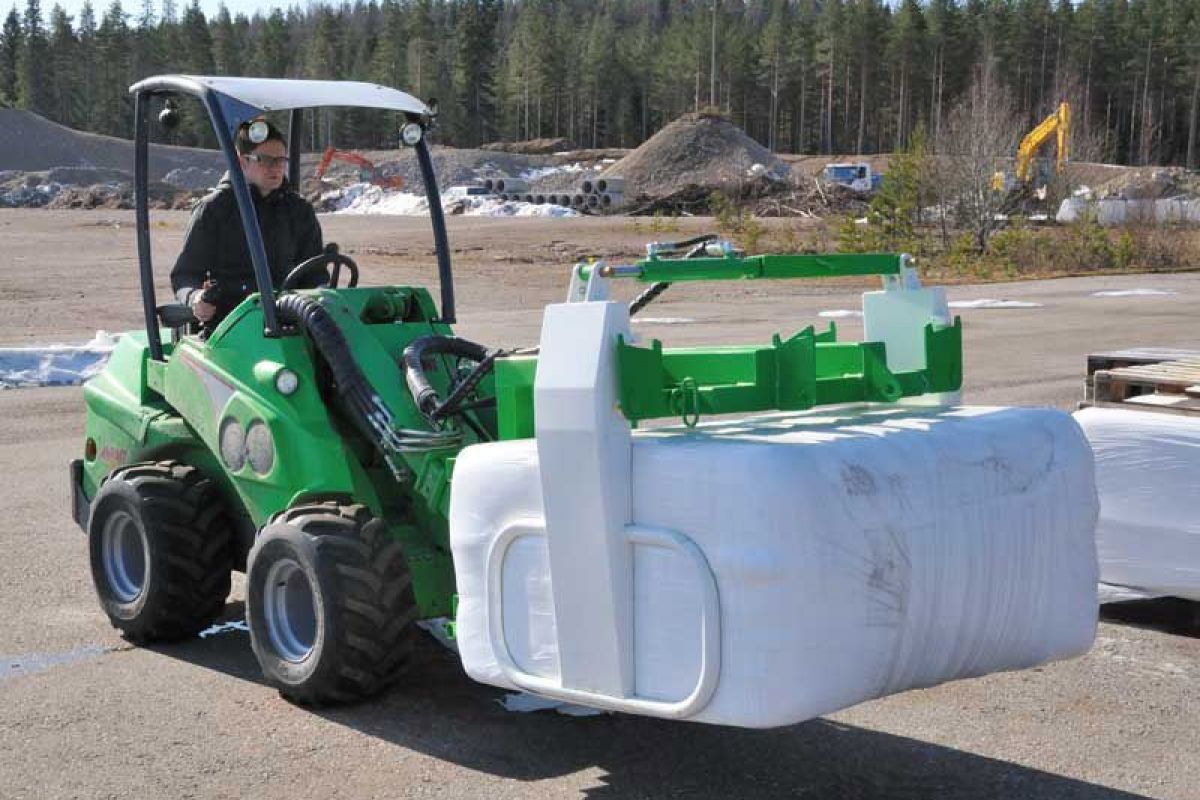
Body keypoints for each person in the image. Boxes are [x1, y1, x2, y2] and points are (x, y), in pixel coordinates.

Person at [171, 118, 324, 328]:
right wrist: (195, 297)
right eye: (265, 160)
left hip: (289, 321)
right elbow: (185, 274)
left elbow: (315, 275)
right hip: (230, 326)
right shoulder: (215, 209)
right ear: (242, 162)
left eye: (280, 160)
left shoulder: (299, 210)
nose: (276, 168)